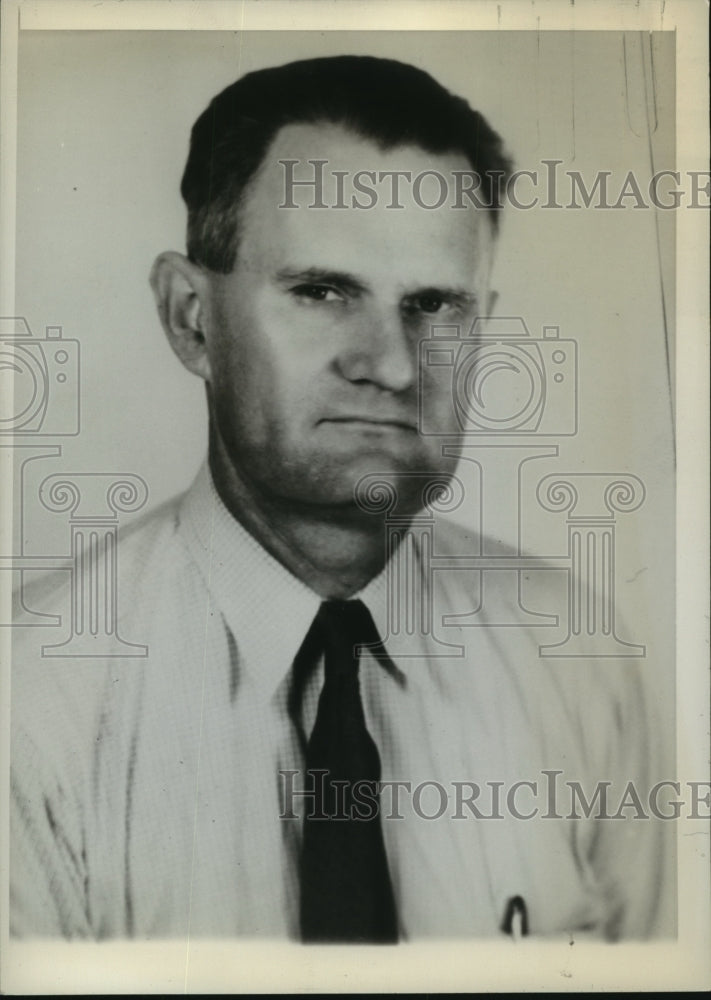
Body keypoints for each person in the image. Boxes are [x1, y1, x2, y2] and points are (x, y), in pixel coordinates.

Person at [10, 55, 672, 941]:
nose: (393, 365)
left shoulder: (579, 664)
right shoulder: (32, 707)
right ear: (189, 316)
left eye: (435, 305)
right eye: (322, 291)